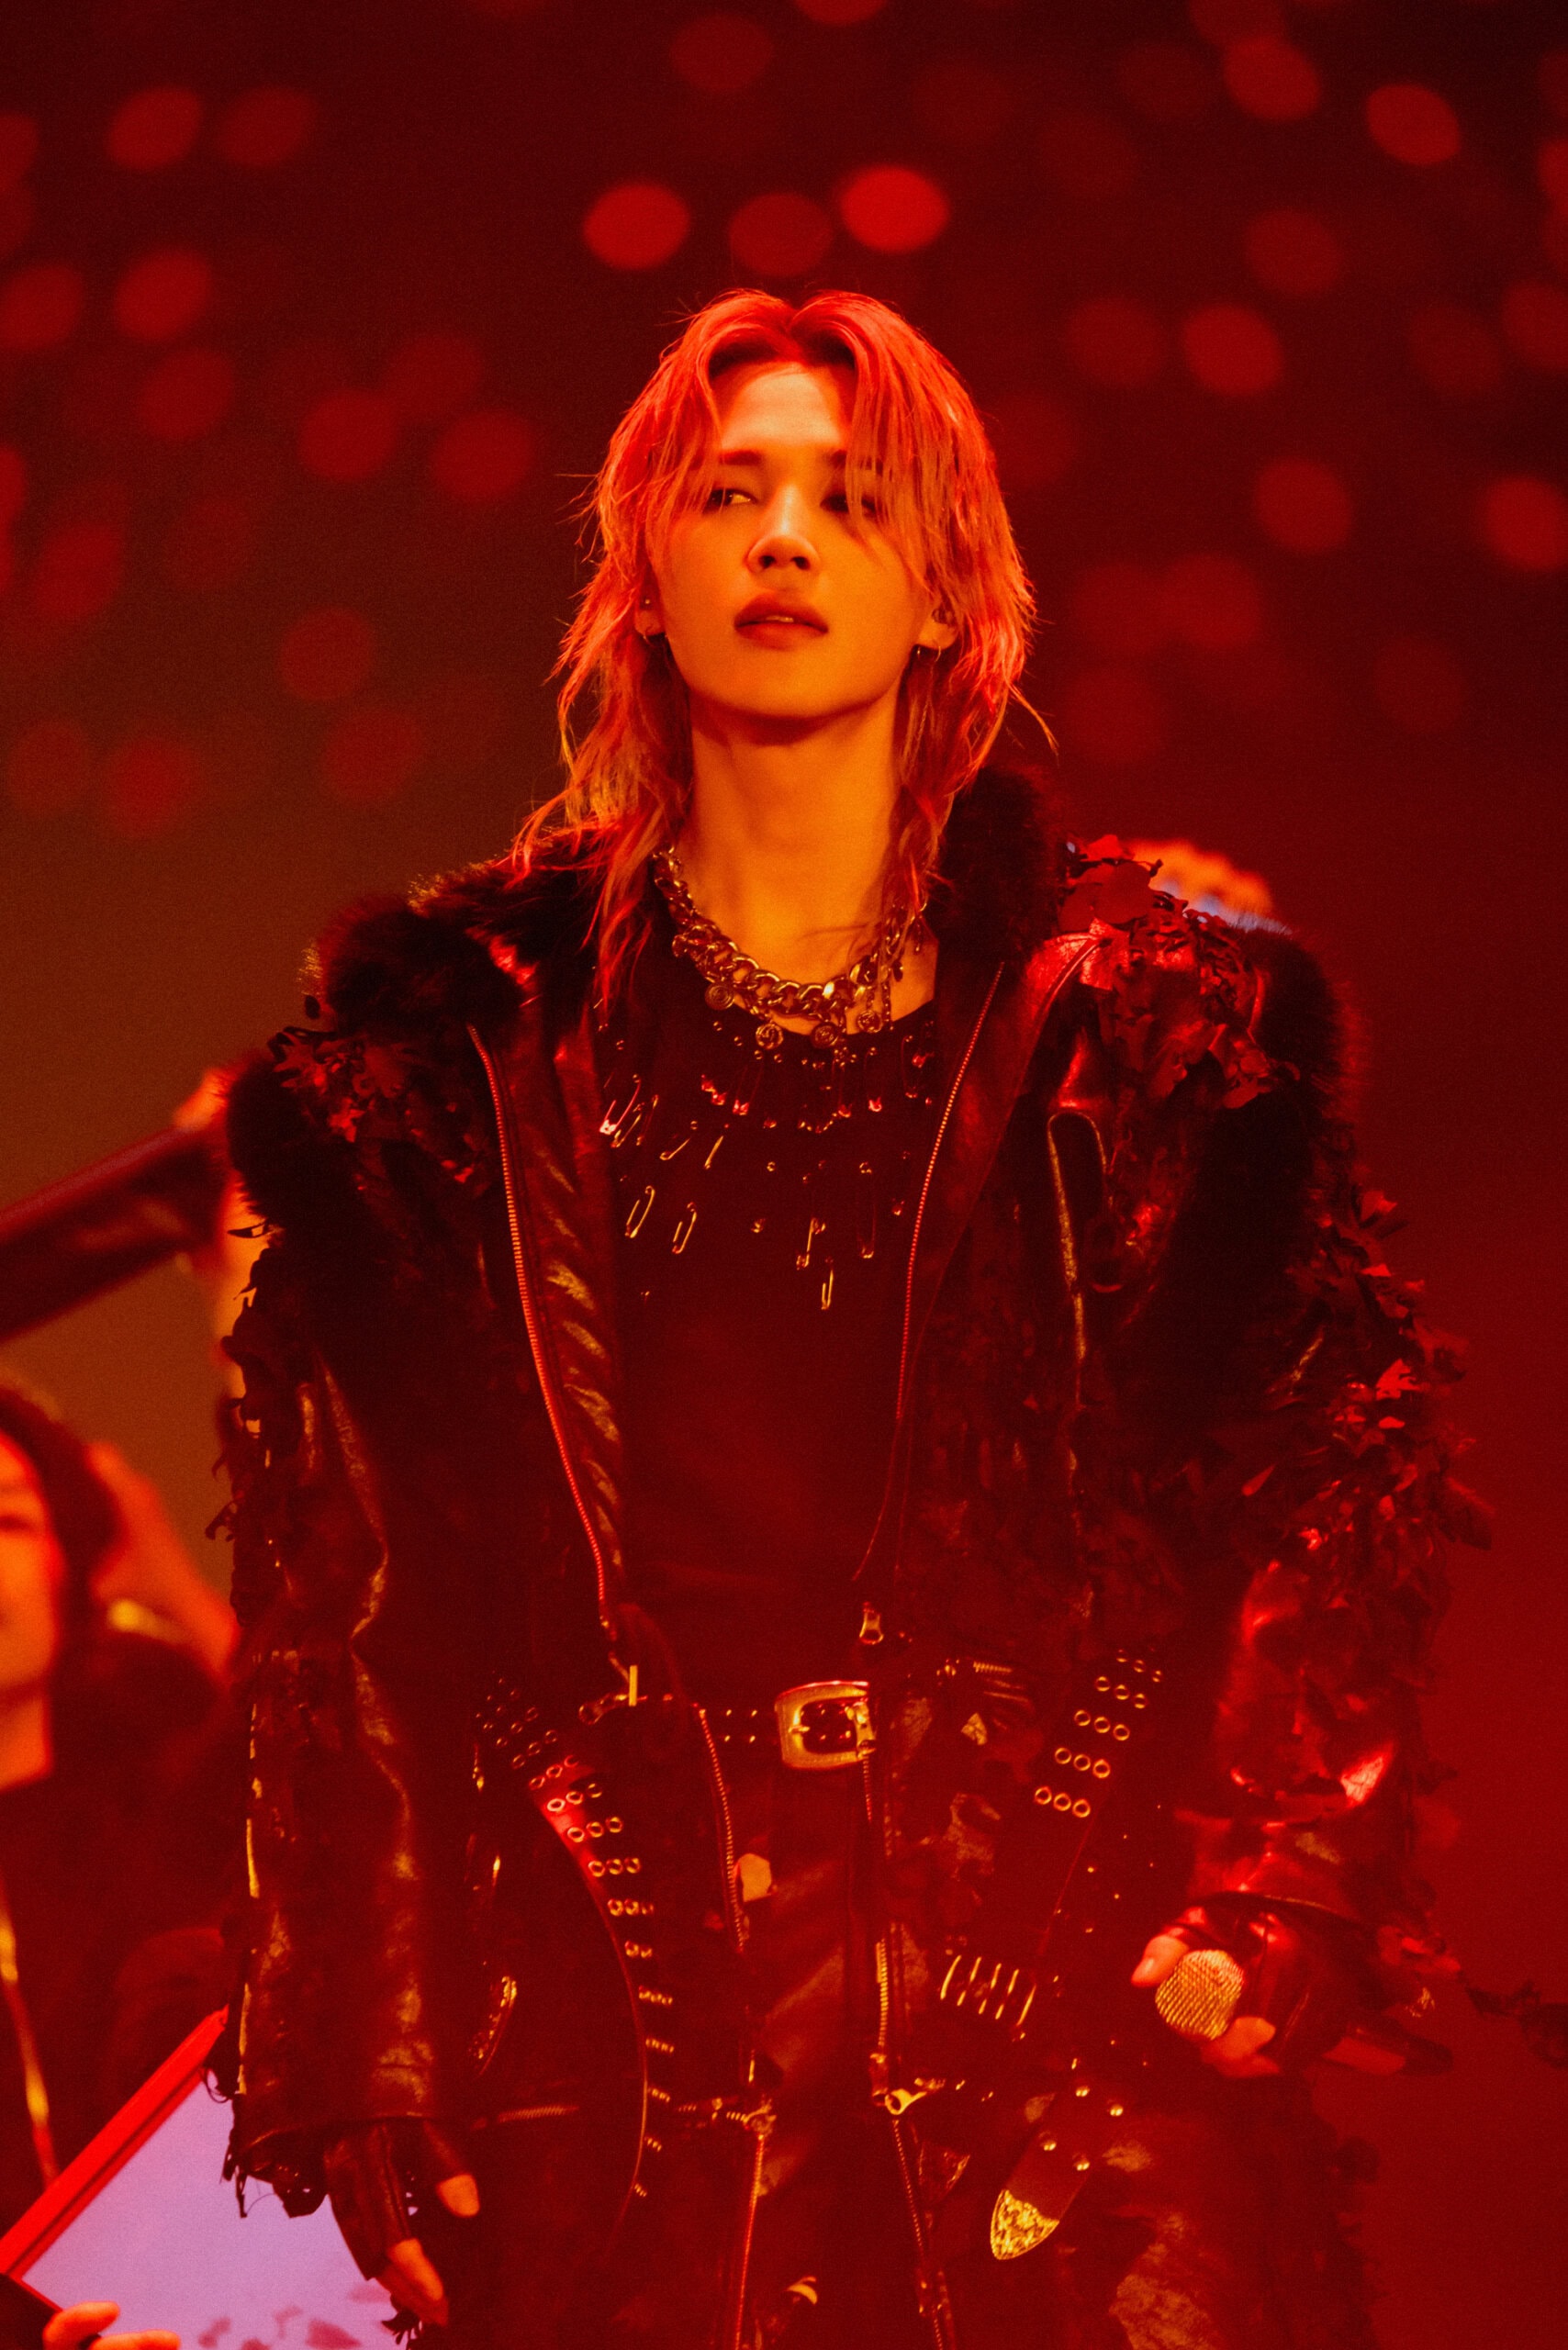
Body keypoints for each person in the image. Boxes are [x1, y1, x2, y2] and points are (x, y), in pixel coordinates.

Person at [217, 291, 1479, 2349]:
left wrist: (1276, 1886)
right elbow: (351, 1593)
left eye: (849, 498)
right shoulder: (449, 1061)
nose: (785, 538)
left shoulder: (1149, 1032)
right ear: (643, 575)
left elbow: (1320, 1469)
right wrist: (365, 2025)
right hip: (617, 2005)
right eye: (731, 495)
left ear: (943, 590)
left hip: (1053, 1986)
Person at [0, 1384, 238, 2236]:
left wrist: (170, 1584)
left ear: (66, 1559)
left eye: (9, 1521)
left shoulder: (167, 1807)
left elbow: (315, 1744)